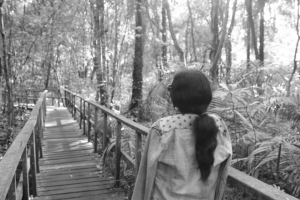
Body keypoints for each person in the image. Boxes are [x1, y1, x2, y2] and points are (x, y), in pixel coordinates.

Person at [132, 69, 232, 200]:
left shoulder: (162, 128)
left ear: (177, 96)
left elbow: (146, 175)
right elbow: (223, 172)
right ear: (207, 96)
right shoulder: (219, 125)